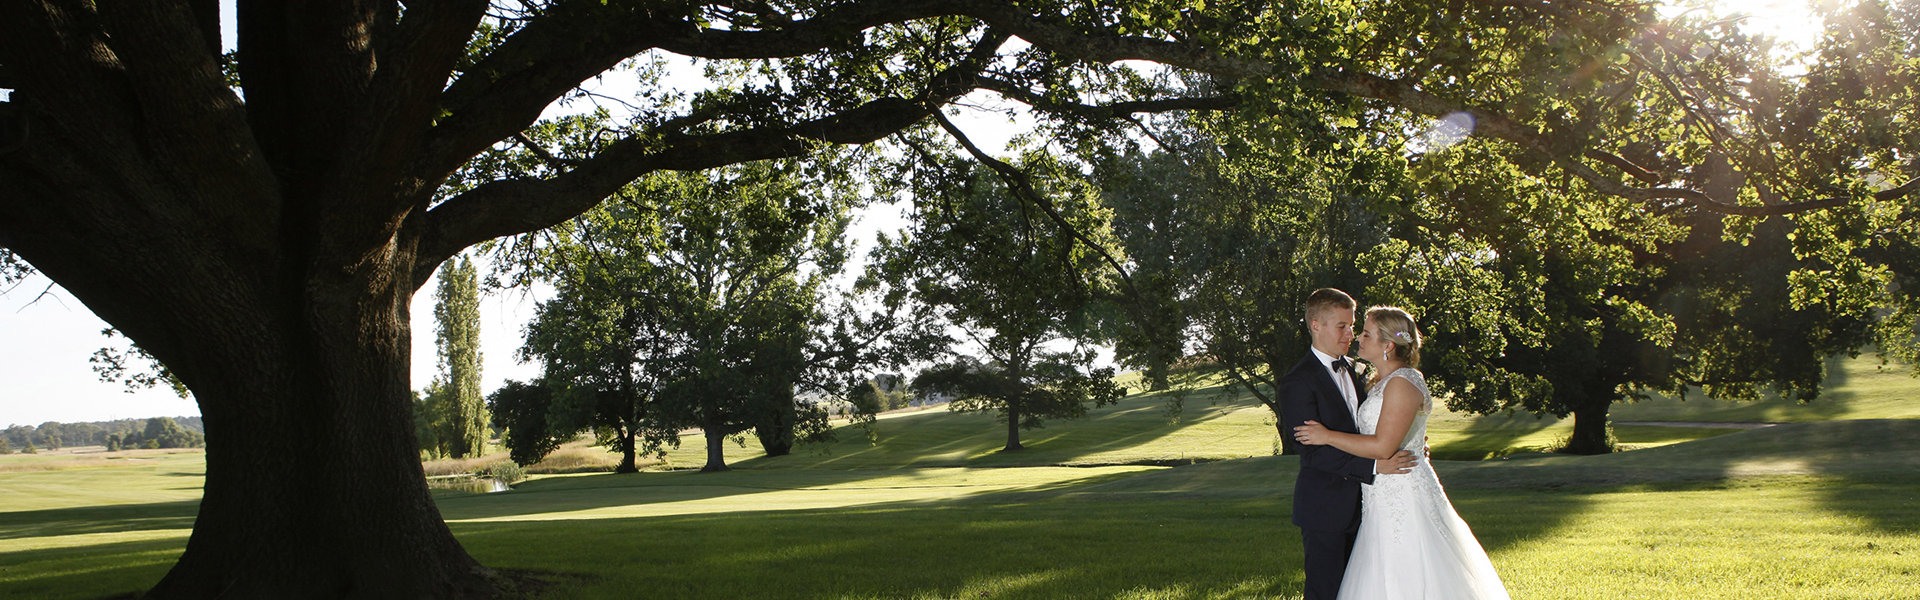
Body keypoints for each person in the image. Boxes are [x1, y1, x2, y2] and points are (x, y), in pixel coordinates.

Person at [1293, 306, 1510, 599]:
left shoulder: (1402, 382)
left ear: (1388, 345)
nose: (1358, 337)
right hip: (1377, 493)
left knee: (1408, 567)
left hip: (1402, 488)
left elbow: (1383, 445)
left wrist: (1327, 436)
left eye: (1366, 333)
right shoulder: (1375, 380)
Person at [1277, 288, 1418, 600]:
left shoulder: (1358, 369)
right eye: (1342, 326)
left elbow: (1383, 423)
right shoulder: (1297, 383)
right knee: (1326, 592)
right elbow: (1313, 452)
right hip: (1327, 507)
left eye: (1353, 325)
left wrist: (1409, 444)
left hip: (1373, 504)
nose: (1351, 334)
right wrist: (1375, 465)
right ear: (1316, 325)